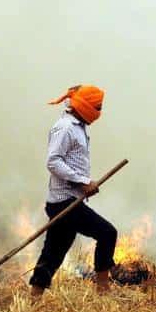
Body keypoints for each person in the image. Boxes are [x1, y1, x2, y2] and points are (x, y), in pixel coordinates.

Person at [29, 85, 118, 297]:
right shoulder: (66, 128)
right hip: (65, 202)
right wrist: (83, 181)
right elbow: (53, 162)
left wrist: (83, 184)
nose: (99, 113)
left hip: (69, 200)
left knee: (54, 251)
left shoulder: (78, 127)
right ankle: (103, 290)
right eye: (97, 107)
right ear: (85, 106)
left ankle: (34, 297)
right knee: (107, 233)